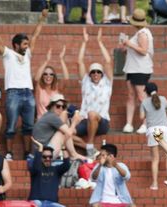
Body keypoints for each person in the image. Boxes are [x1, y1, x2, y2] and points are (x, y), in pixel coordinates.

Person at [0, 9, 48, 160]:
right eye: (24, 44)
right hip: (13, 93)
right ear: (16, 45)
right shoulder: (8, 54)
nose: (27, 46)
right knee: (11, 125)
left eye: (27, 44)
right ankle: (9, 153)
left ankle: (27, 154)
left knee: (28, 126)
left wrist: (42, 18)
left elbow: (36, 35)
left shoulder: (27, 54)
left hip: (28, 93)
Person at [73, 28, 113, 158]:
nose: (96, 74)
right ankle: (91, 149)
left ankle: (89, 144)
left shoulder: (107, 83)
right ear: (90, 74)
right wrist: (84, 42)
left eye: (98, 72)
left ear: (102, 74)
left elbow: (108, 62)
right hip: (85, 121)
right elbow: (79, 62)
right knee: (66, 134)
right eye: (93, 72)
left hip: (102, 121)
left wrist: (100, 42)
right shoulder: (86, 82)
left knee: (92, 114)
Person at [120, 9, 154, 134]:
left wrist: (129, 43)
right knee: (131, 96)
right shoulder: (139, 33)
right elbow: (136, 50)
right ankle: (129, 123)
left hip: (140, 69)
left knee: (141, 96)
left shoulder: (143, 33)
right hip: (132, 68)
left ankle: (145, 123)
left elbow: (143, 51)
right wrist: (126, 47)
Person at [140, 82, 167, 190]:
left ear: (146, 92)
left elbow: (141, 117)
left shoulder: (144, 102)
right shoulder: (163, 99)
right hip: (164, 129)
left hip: (152, 130)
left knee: (155, 159)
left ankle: (154, 184)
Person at [28, 141, 70, 207]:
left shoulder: (56, 170)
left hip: (51, 204)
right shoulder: (35, 169)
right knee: (37, 205)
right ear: (40, 157)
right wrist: (39, 149)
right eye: (44, 157)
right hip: (37, 202)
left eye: (50, 157)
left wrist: (63, 148)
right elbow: (35, 166)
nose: (47, 159)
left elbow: (67, 165)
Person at [89, 143, 137, 207]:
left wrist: (116, 165)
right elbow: (93, 178)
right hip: (103, 203)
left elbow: (127, 176)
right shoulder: (99, 167)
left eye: (103, 155)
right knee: (95, 206)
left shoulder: (121, 165)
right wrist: (100, 165)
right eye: (100, 155)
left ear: (111, 156)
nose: (101, 157)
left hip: (120, 203)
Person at [32, 94, 86, 160]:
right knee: (62, 132)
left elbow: (72, 132)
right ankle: (73, 154)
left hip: (42, 152)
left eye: (63, 107)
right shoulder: (52, 117)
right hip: (44, 154)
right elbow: (69, 133)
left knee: (64, 130)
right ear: (51, 106)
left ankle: (73, 154)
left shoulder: (48, 115)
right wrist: (74, 122)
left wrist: (73, 122)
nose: (60, 109)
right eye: (58, 106)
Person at [34, 47, 69, 120]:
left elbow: (66, 79)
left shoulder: (56, 89)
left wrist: (61, 60)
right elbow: (37, 78)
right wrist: (46, 60)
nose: (48, 76)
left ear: (54, 77)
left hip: (55, 121)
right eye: (45, 74)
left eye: (51, 74)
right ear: (42, 76)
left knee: (64, 113)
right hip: (43, 121)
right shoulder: (39, 89)